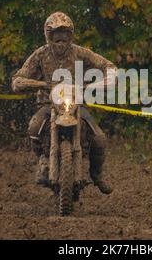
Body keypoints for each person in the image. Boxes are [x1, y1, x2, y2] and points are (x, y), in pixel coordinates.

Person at [12, 12, 116, 194]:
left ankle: (96, 174)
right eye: (56, 36)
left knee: (99, 139)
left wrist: (98, 84)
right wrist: (40, 84)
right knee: (33, 127)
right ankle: (43, 158)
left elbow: (109, 67)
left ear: (71, 35)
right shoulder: (40, 54)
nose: (60, 39)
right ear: (48, 35)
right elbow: (18, 79)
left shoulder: (81, 52)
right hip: (48, 104)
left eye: (65, 35)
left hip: (77, 105)